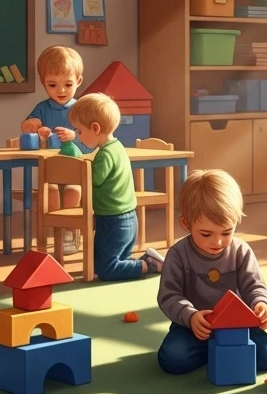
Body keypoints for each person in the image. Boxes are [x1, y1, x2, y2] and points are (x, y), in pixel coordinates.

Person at [156, 169, 267, 375]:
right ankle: (215, 351)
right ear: (186, 224)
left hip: (237, 326)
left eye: (227, 232)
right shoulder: (178, 254)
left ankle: (218, 351)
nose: (218, 241)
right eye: (206, 234)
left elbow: (254, 285)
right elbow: (169, 296)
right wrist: (190, 316)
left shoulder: (240, 251)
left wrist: (260, 304)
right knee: (171, 359)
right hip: (194, 327)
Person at [68, 92, 165, 280]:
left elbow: (92, 179)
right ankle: (146, 260)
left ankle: (148, 265)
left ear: (95, 128)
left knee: (106, 269)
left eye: (79, 131)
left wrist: (77, 162)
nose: (78, 137)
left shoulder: (105, 154)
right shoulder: (116, 147)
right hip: (119, 218)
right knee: (101, 262)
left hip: (116, 221)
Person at [22, 45, 85, 255]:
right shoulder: (42, 108)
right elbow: (28, 125)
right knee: (48, 192)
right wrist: (35, 127)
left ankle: (69, 232)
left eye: (67, 84)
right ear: (43, 84)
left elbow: (92, 137)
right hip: (49, 169)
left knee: (73, 192)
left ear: (79, 81)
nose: (61, 91)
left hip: (75, 169)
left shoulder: (81, 108)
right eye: (53, 85)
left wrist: (74, 135)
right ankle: (53, 232)